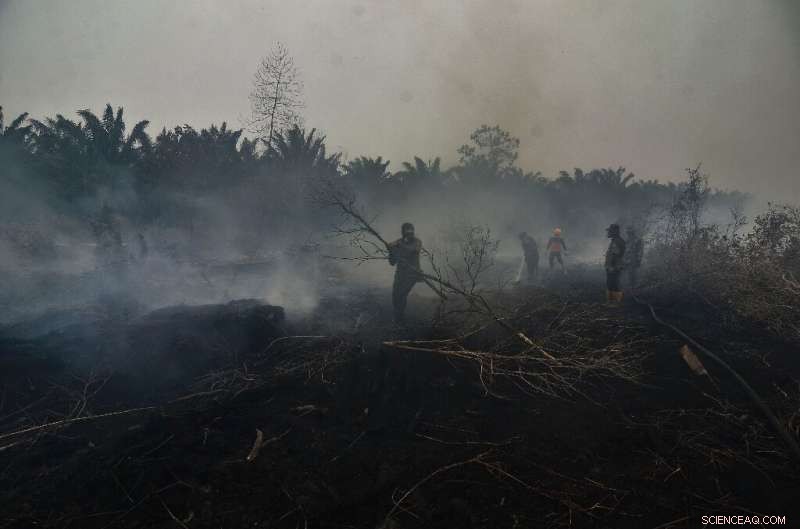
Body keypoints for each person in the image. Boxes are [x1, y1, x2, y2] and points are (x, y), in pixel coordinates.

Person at [388, 222, 422, 323]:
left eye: (411, 230)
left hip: (412, 274)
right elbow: (392, 262)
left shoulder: (417, 242)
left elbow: (414, 251)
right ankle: (398, 316)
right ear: (403, 232)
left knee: (401, 294)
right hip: (400, 273)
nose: (409, 233)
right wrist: (391, 250)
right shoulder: (398, 243)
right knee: (395, 295)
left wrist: (397, 246)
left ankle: (399, 319)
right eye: (407, 231)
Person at [605, 223, 627, 303]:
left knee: (614, 285)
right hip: (613, 267)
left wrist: (611, 267)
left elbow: (616, 255)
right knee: (611, 284)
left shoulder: (617, 241)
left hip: (614, 268)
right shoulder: (616, 241)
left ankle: (616, 303)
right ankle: (612, 303)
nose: (608, 233)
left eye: (610, 231)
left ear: (614, 231)